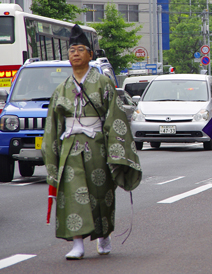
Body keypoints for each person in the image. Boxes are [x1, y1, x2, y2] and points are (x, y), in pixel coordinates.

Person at [41, 25, 142, 260]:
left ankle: (103, 234)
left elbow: (115, 120)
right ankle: (77, 243)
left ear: (90, 55)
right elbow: (53, 127)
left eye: (80, 49)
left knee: (100, 192)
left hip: (96, 146)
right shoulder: (60, 89)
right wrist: (52, 155)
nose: (75, 53)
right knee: (73, 193)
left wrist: (116, 153)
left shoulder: (103, 83)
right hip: (70, 148)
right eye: (72, 50)